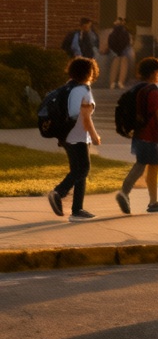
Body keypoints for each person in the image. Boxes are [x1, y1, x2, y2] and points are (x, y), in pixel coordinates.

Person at [113, 57, 158, 214]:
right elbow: (157, 116)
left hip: (139, 133)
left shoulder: (139, 88)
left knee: (150, 167)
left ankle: (152, 200)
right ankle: (125, 193)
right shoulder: (153, 90)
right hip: (150, 135)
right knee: (142, 166)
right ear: (155, 72)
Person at [46, 56, 101, 222]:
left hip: (66, 135)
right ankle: (59, 193)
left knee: (78, 172)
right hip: (78, 136)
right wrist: (94, 135)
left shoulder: (68, 88)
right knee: (82, 169)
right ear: (89, 72)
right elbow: (85, 116)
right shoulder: (84, 90)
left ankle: (77, 210)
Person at [107, 17, 133, 90]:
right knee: (122, 62)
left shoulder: (113, 31)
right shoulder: (124, 31)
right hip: (121, 50)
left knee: (117, 62)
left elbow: (111, 41)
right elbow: (127, 42)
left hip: (116, 50)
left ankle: (113, 83)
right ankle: (119, 82)